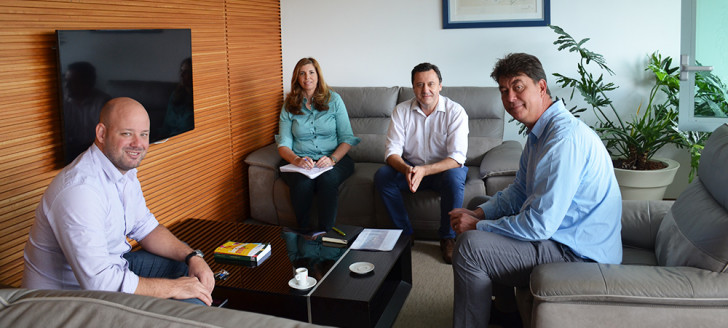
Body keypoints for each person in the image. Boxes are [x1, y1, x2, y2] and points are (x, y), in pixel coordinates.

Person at [449, 53, 622, 327]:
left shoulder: (562, 140)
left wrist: (477, 227)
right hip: (566, 234)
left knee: (471, 247)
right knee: (481, 201)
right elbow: (520, 191)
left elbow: (540, 225)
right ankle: (507, 314)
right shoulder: (541, 132)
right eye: (504, 91)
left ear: (541, 87)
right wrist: (480, 213)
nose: (510, 98)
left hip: (578, 254)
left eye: (518, 87)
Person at [23, 97, 215, 306]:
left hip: (111, 271)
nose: (138, 144)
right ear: (102, 134)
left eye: (144, 135)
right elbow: (101, 283)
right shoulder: (80, 191)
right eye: (127, 133)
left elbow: (146, 228)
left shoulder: (122, 172)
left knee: (187, 268)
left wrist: (193, 256)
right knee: (190, 301)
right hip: (68, 302)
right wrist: (174, 288)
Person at [374, 62, 469, 264]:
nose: (425, 90)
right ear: (413, 87)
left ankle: (447, 237)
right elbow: (391, 153)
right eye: (419, 85)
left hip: (443, 169)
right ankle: (406, 232)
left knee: (455, 177)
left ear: (440, 86)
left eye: (431, 84)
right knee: (383, 176)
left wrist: (425, 170)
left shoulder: (456, 112)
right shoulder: (401, 111)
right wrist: (408, 169)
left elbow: (457, 158)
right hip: (411, 168)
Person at [276, 57, 360, 232]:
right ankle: (305, 233)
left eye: (311, 72)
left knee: (327, 180)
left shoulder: (334, 99)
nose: (307, 77)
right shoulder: (289, 105)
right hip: (301, 161)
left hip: (333, 159)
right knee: (301, 183)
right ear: (297, 78)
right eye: (302, 73)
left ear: (318, 75)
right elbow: (283, 144)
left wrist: (332, 159)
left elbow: (347, 138)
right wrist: (297, 160)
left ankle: (325, 232)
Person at [62, 61, 112, 162]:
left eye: (73, 82)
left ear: (87, 83)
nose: (66, 86)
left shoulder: (104, 103)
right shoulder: (62, 103)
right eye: (66, 81)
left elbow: (109, 137)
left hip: (98, 154)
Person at [162, 57, 194, 137]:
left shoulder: (198, 97)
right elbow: (166, 125)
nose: (182, 75)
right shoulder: (175, 95)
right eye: (181, 71)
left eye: (186, 72)